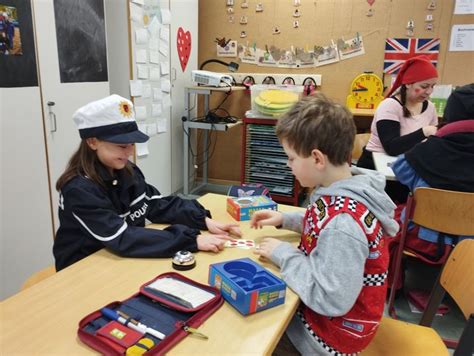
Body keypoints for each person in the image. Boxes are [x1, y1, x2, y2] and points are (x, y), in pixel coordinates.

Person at [250, 94, 399, 355]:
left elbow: (329, 298)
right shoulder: (343, 187)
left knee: (251, 336)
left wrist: (283, 254)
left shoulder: (343, 225)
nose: (288, 166)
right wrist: (287, 219)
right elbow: (322, 223)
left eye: (292, 158)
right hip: (326, 321)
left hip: (324, 339)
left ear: (318, 159)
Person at [53, 94, 241, 271]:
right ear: (92, 142)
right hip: (84, 267)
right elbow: (121, 237)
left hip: (120, 258)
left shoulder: (126, 169)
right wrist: (191, 241)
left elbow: (155, 204)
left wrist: (202, 220)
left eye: (132, 145)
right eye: (121, 146)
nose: (129, 152)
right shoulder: (79, 189)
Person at [390, 83, 474, 263]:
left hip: (425, 239)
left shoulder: (430, 150)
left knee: (395, 213)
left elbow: (400, 171)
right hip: (470, 247)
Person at [357, 55, 439, 202]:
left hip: (406, 167)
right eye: (424, 86)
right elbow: (392, 147)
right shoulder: (390, 105)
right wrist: (424, 132)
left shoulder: (430, 108)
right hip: (376, 169)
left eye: (432, 86)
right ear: (408, 84)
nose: (429, 92)